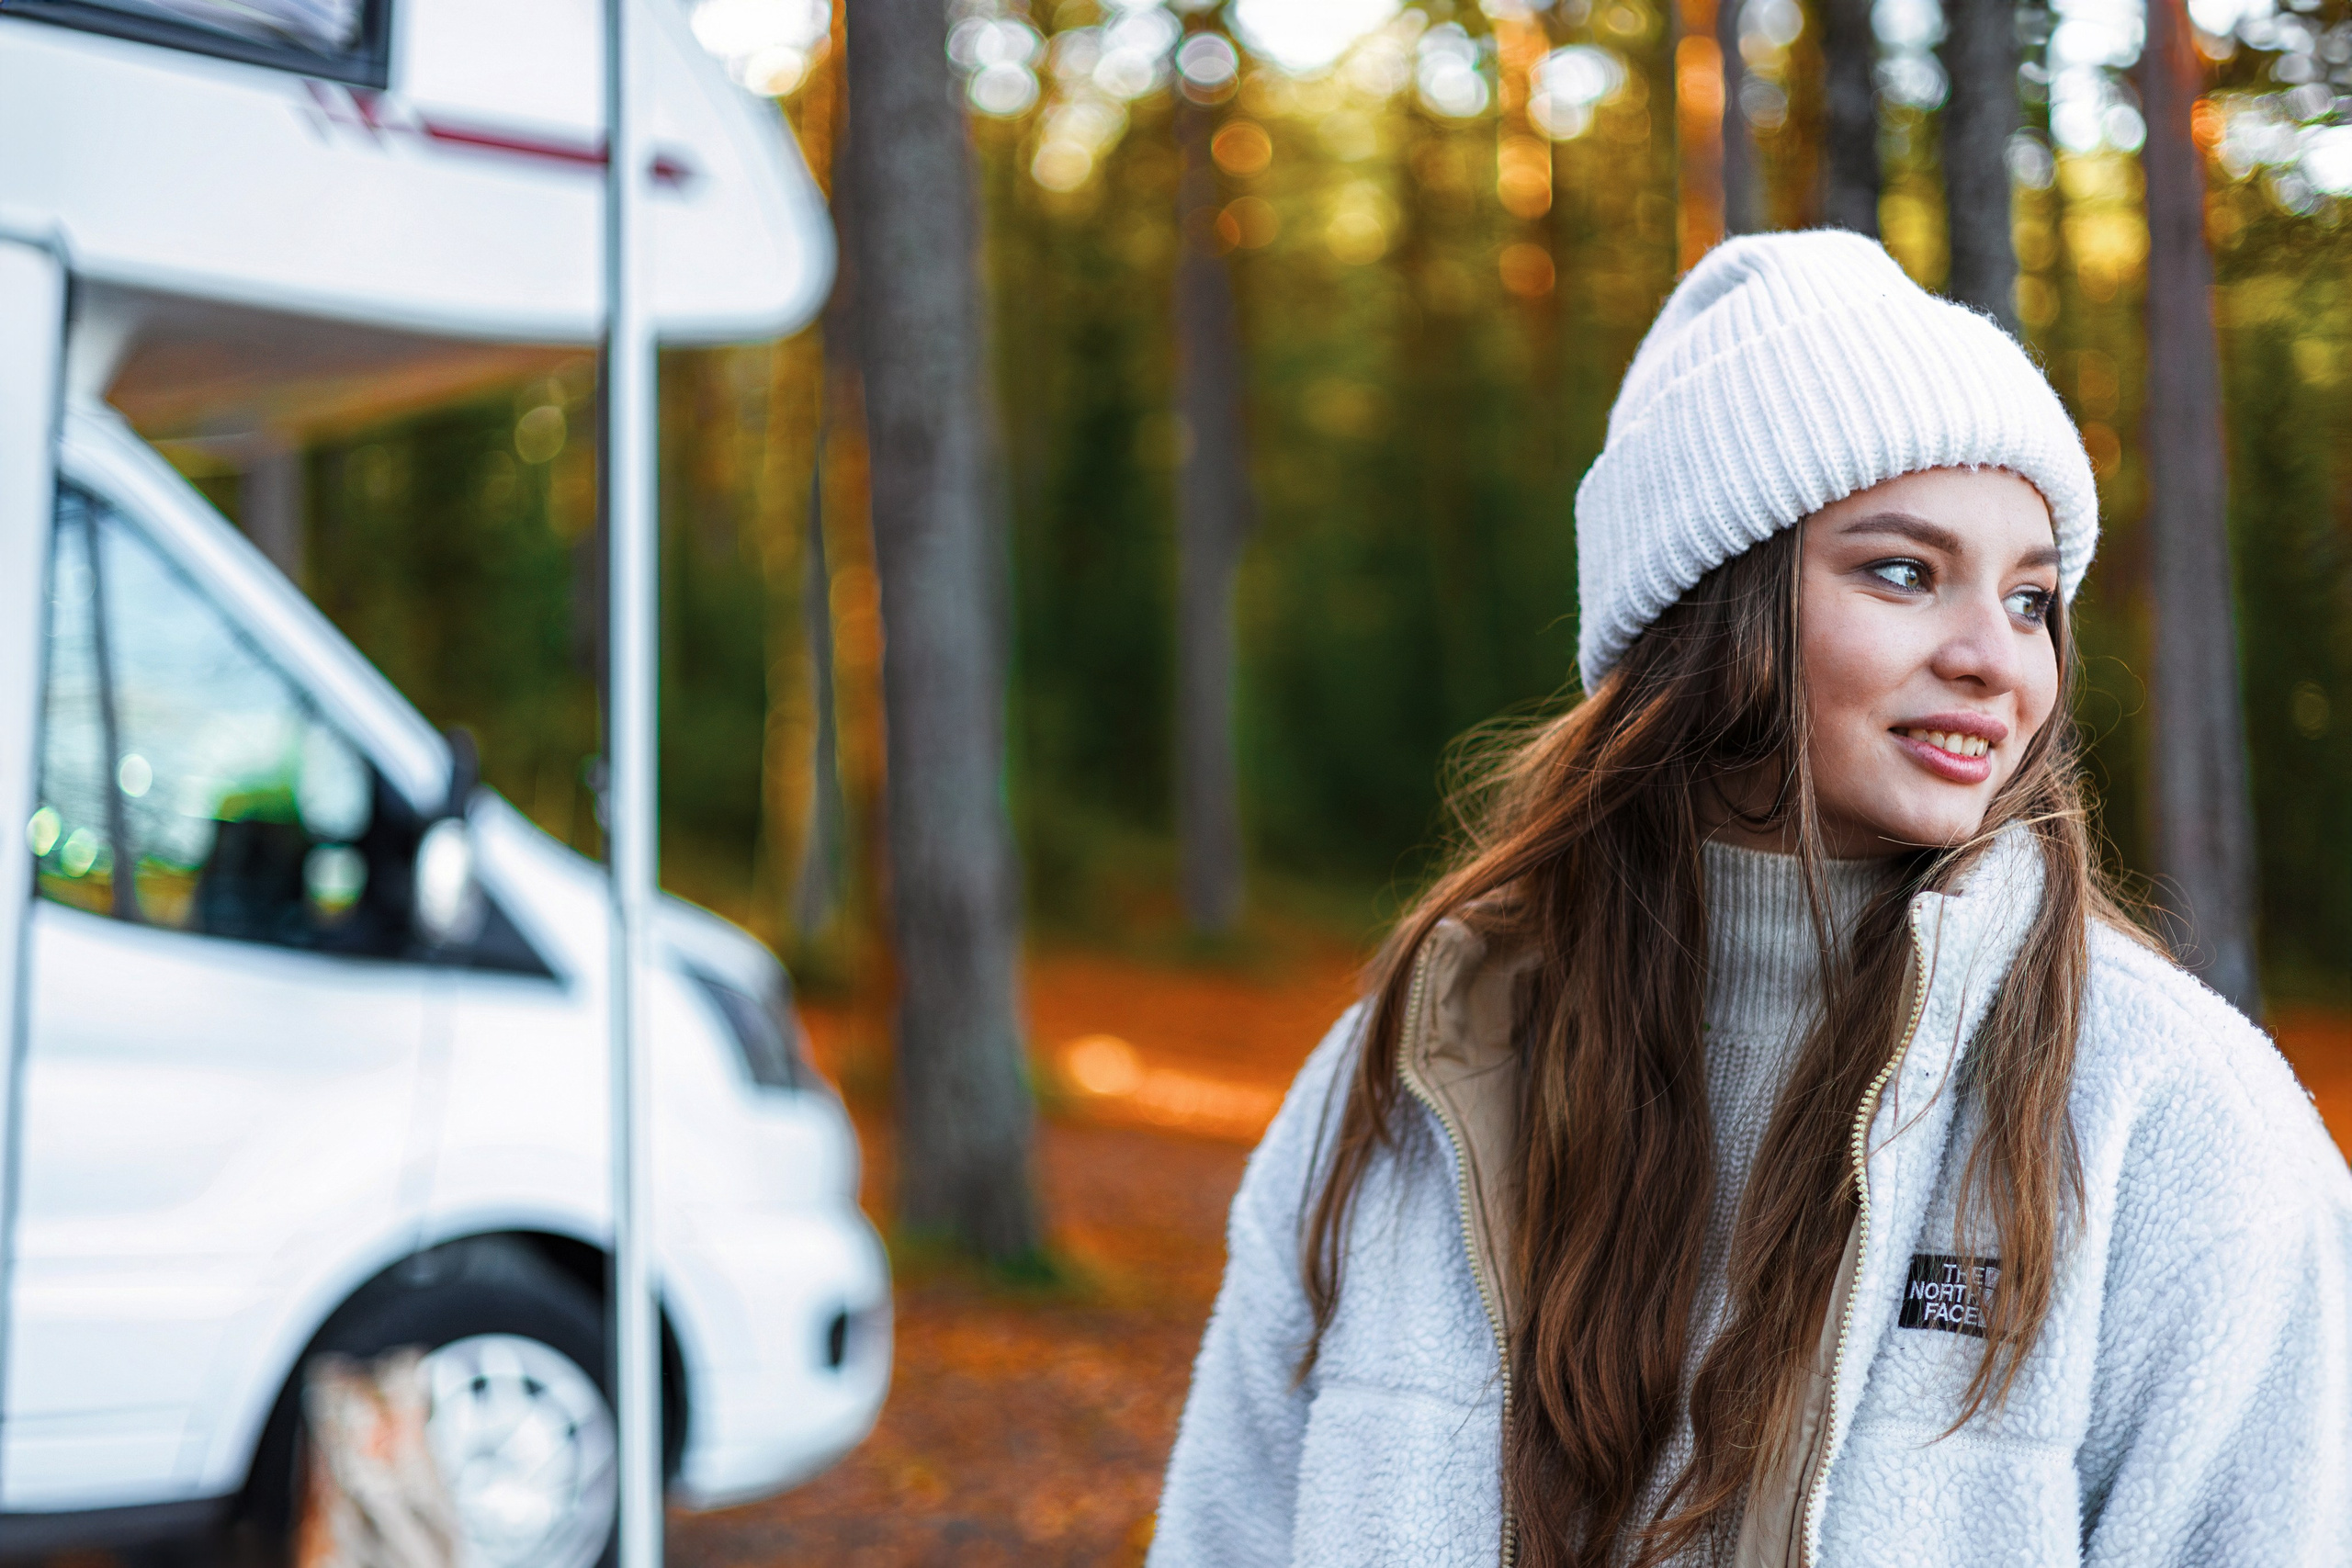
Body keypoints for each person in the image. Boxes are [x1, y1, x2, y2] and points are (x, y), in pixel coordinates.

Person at [1148, 231, 2352, 1568]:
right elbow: (1228, 1529)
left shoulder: (2167, 1110)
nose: (1991, 660)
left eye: (2030, 599)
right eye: (1903, 571)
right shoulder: (1425, 1067)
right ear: (1710, 607)